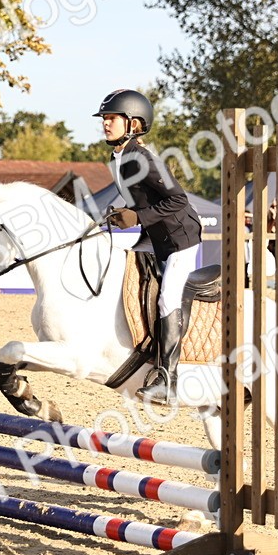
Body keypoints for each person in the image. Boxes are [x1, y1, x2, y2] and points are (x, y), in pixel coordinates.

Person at [97, 88, 202, 405]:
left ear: (133, 123)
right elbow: (140, 200)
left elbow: (178, 200)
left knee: (168, 297)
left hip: (180, 238)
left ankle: (167, 380)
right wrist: (120, 213)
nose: (105, 123)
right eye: (104, 118)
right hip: (156, 238)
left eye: (112, 118)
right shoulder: (118, 158)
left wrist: (137, 217)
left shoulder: (142, 158)